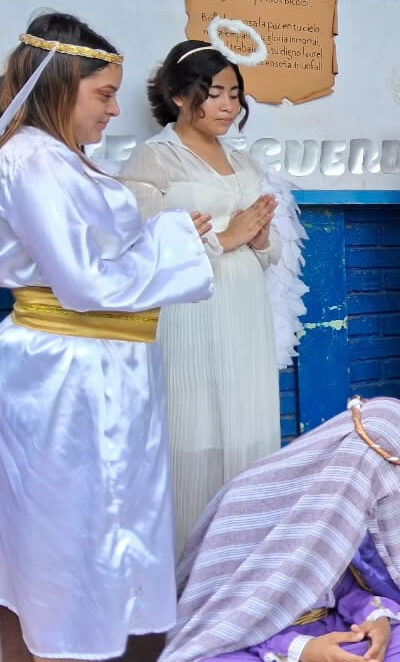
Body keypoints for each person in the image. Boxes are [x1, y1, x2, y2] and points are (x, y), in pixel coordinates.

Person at [0, 12, 214, 662]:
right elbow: (84, 278)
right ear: (61, 86)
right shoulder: (31, 161)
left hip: (97, 375)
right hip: (64, 381)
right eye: (104, 94)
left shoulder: (62, 160)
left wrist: (168, 237)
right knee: (66, 547)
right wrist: (175, 236)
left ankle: (86, 658)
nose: (116, 109)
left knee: (94, 541)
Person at [121, 39, 307, 554]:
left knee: (247, 421)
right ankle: (185, 568)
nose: (229, 105)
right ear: (180, 96)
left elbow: (268, 256)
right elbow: (137, 246)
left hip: (243, 305)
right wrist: (226, 237)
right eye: (216, 93)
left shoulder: (242, 163)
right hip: (189, 311)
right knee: (192, 422)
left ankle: (241, 559)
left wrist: (261, 236)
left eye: (235, 94)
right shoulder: (154, 159)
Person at [154, 397, 400, 662]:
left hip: (337, 631)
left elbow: (349, 585)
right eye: (396, 470)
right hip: (261, 644)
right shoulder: (248, 498)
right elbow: (224, 619)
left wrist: (377, 620)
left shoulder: (350, 501)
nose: (396, 485)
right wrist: (303, 652)